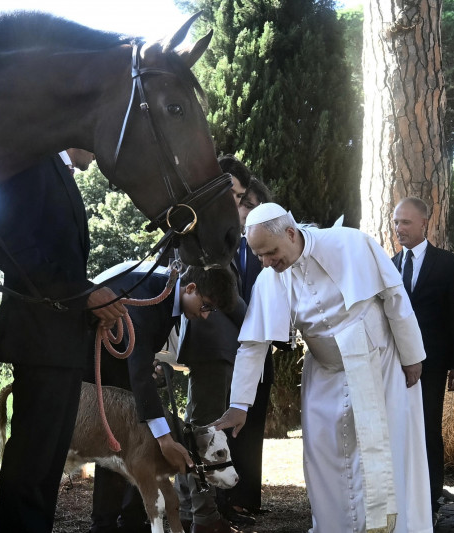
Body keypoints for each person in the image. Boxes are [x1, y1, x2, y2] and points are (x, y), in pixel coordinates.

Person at [215, 202, 433, 533]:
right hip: (325, 374)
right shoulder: (270, 278)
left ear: (290, 233)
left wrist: (411, 355)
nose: (266, 263)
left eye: (270, 252)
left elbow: (394, 295)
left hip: (378, 364)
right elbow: (253, 344)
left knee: (383, 457)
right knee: (325, 462)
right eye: (259, 256)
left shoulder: (350, 243)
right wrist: (238, 404)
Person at [0, 149, 127, 533]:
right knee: (33, 462)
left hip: (62, 343)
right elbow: (15, 254)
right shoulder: (29, 163)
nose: (100, 152)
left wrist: (91, 301)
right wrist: (85, 295)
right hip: (39, 340)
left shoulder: (60, 174)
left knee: (49, 465)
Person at [87, 265, 238, 533]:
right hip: (91, 365)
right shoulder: (151, 297)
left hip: (118, 367)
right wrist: (165, 439)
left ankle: (132, 521)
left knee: (135, 442)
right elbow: (138, 369)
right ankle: (105, 525)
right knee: (119, 441)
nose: (204, 316)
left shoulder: (168, 297)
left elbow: (139, 358)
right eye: (205, 306)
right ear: (190, 288)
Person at [174, 155, 273, 533]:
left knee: (196, 427)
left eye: (239, 195)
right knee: (204, 430)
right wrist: (258, 323)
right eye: (234, 193)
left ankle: (189, 510)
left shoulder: (209, 224)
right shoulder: (204, 225)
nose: (237, 201)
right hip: (210, 343)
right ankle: (204, 517)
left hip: (214, 346)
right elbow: (223, 294)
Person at [390, 197, 454, 521]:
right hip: (395, 366)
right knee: (400, 430)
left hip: (433, 365)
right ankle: (402, 497)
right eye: (396, 222)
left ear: (424, 224)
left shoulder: (449, 265)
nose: (399, 229)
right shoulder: (390, 265)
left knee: (428, 432)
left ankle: (431, 502)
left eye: (406, 222)